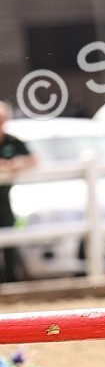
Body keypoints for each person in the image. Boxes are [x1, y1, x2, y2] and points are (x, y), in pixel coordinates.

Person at [0, 102, 36, 283]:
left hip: (4, 198)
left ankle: (12, 278)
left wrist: (19, 163)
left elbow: (34, 159)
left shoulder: (12, 140)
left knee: (9, 235)